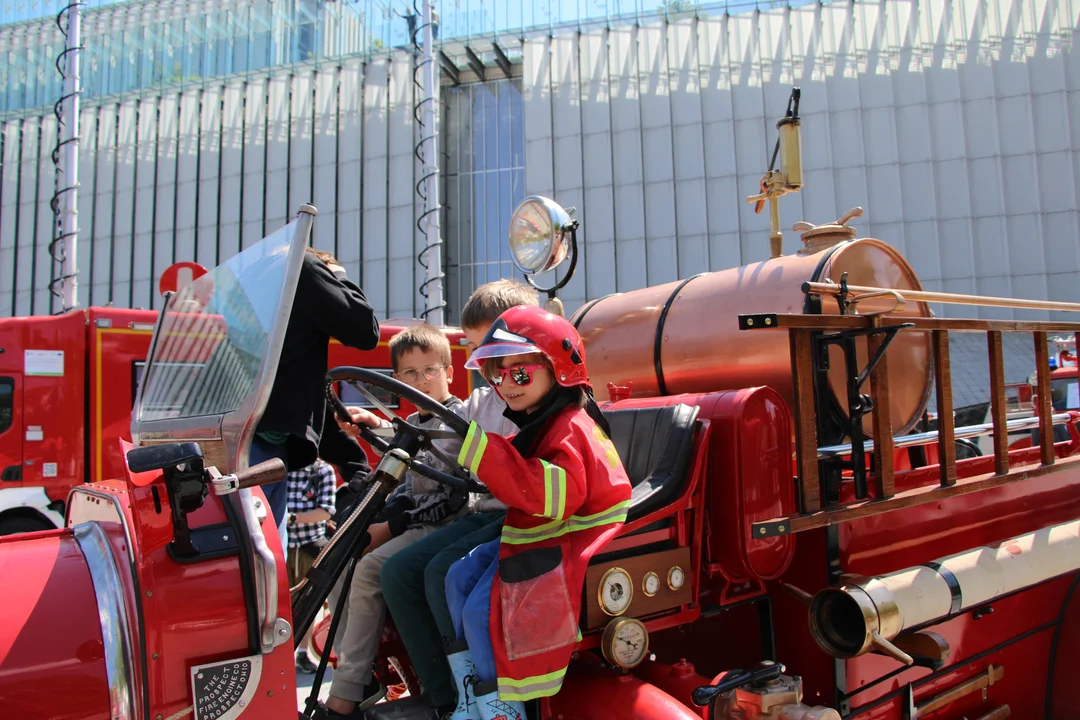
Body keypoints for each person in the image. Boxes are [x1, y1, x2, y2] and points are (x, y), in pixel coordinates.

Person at [444, 306, 632, 719]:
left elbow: (557, 496)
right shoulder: (544, 420)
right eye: (497, 374)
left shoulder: (569, 426)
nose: (506, 384)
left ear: (558, 368)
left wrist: (487, 455)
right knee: (457, 576)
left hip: (575, 534)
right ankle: (472, 695)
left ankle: (502, 709)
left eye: (520, 373)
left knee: (480, 610)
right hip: (544, 527)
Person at [378, 280, 539, 718]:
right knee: (395, 572)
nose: (480, 359)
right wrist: (375, 428)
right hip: (485, 510)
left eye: (488, 345)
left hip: (517, 513)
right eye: (473, 347)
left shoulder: (532, 398)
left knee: (440, 573)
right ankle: (441, 695)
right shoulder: (481, 402)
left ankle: (475, 694)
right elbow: (443, 434)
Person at [323, 324, 470, 719]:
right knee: (338, 562)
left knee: (371, 569)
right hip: (417, 525)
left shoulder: (459, 423)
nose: (420, 380)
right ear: (397, 379)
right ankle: (363, 674)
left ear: (449, 372)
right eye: (409, 373)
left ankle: (345, 693)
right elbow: (403, 441)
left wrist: (389, 528)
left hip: (449, 525)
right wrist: (372, 424)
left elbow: (452, 496)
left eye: (430, 370)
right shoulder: (416, 424)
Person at [253, 248, 379, 550]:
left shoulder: (269, 318)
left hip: (260, 445)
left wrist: (356, 468)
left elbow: (306, 403)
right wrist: (338, 276)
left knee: (266, 558)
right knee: (262, 555)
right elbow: (365, 330)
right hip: (261, 452)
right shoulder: (305, 269)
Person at [285, 458, 338, 674]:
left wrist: (291, 518)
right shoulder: (281, 465)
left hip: (309, 547)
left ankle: (302, 653)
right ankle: (281, 654)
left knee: (306, 602)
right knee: (278, 604)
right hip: (281, 546)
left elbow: (326, 511)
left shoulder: (322, 471)